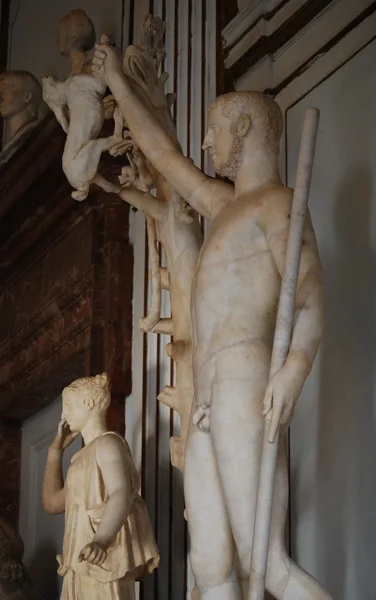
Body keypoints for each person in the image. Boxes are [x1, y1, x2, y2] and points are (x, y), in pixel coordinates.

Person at [92, 38, 332, 600]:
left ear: (243, 129)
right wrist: (121, 86)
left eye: (214, 130)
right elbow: (163, 156)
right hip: (207, 390)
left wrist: (292, 370)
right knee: (211, 562)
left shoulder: (278, 204)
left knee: (265, 564)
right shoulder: (223, 206)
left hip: (249, 374)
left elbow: (310, 297)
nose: (205, 142)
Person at [42, 373, 159, 600]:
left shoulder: (109, 443)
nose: (63, 416)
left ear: (88, 404)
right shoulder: (78, 459)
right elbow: (52, 503)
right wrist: (54, 453)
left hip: (104, 556)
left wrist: (102, 539)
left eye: (67, 406)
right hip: (80, 558)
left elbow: (121, 492)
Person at [0, 71, 42, 164]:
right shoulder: (9, 148)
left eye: (5, 89)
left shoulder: (36, 136)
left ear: (27, 96)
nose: (0, 96)